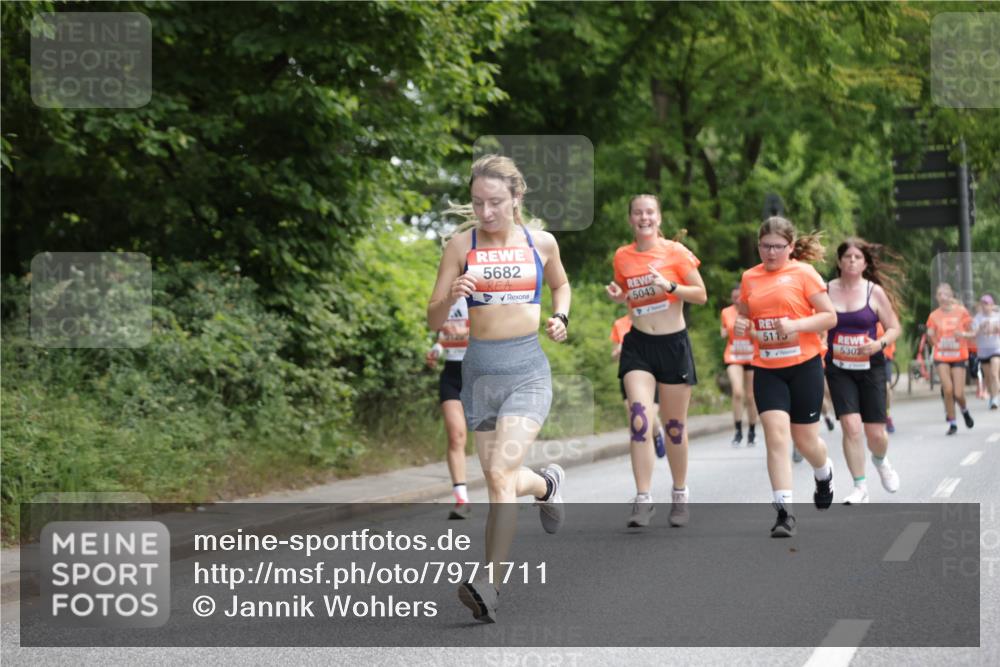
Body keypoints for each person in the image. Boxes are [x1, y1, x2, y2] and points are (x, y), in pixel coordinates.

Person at [427, 154, 570, 623]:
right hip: (479, 375)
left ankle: (489, 585)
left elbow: (562, 285)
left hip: (527, 371)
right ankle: (546, 485)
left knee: (501, 473)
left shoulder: (540, 242)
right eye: (477, 203)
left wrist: (561, 316)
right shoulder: (460, 246)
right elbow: (432, 317)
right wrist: (452, 295)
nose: (485, 212)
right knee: (498, 478)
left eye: (494, 202)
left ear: (516, 197)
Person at [606, 194, 707, 528]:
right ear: (630, 219)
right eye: (638, 212)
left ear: (659, 218)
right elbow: (628, 294)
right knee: (639, 419)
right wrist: (621, 295)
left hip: (673, 345)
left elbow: (701, 294)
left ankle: (679, 493)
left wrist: (671, 286)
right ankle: (643, 498)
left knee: (674, 428)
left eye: (649, 212)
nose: (644, 217)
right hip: (638, 345)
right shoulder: (622, 256)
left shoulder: (676, 252)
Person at [734, 216, 838, 537]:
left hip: (804, 365)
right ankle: (784, 513)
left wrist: (796, 325)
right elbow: (747, 315)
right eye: (765, 246)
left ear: (791, 247)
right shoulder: (750, 278)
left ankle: (824, 471)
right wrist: (743, 325)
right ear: (758, 246)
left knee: (806, 441)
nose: (771, 252)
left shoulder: (804, 273)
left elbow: (829, 317)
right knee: (776, 437)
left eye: (778, 247)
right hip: (767, 368)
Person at [824, 238, 903, 505]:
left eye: (858, 257)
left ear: (865, 263)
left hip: (871, 366)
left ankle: (880, 461)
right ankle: (860, 486)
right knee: (851, 426)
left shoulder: (874, 292)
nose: (852, 261)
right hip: (839, 367)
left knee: (876, 435)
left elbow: (894, 328)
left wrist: (879, 344)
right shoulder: (825, 290)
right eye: (847, 257)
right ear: (839, 262)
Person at [425, 297, 472, 519]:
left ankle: (503, 492)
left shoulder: (485, 293)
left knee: (492, 439)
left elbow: (499, 330)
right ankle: (461, 500)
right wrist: (436, 348)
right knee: (456, 436)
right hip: (452, 374)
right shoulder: (445, 299)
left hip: (481, 373)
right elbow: (443, 335)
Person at [611, 314, 666, 457]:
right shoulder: (619, 324)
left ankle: (656, 432)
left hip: (650, 372)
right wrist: (618, 352)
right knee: (633, 414)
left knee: (648, 414)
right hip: (628, 371)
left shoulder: (651, 317)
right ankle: (639, 450)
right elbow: (614, 354)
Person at [926, 283, 975, 435]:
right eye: (939, 294)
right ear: (936, 297)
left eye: (945, 294)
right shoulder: (934, 316)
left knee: (958, 393)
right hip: (941, 355)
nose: (943, 297)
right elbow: (931, 336)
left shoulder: (961, 312)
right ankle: (952, 423)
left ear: (951, 295)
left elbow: (972, 332)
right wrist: (930, 336)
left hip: (958, 355)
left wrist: (963, 335)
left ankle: (964, 410)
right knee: (947, 389)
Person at [720, 285, 758, 447]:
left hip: (750, 356)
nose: (736, 300)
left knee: (750, 396)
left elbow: (757, 335)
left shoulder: (753, 311)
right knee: (737, 392)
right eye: (733, 297)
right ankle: (737, 431)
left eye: (738, 297)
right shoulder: (726, 312)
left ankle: (752, 431)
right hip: (733, 355)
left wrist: (748, 329)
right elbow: (723, 329)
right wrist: (724, 331)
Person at [972, 293, 1000, 409]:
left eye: (987, 304)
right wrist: (981, 327)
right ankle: (992, 395)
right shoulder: (977, 318)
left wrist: (997, 328)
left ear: (991, 305)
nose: (985, 306)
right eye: (983, 304)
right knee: (987, 378)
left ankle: (995, 399)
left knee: (994, 373)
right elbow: (973, 334)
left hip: (996, 348)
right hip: (983, 351)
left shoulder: (997, 316)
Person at [877, 322, 898, 433]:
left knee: (887, 389)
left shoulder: (886, 318)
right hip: (867, 358)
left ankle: (887, 415)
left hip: (884, 359)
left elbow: (894, 333)